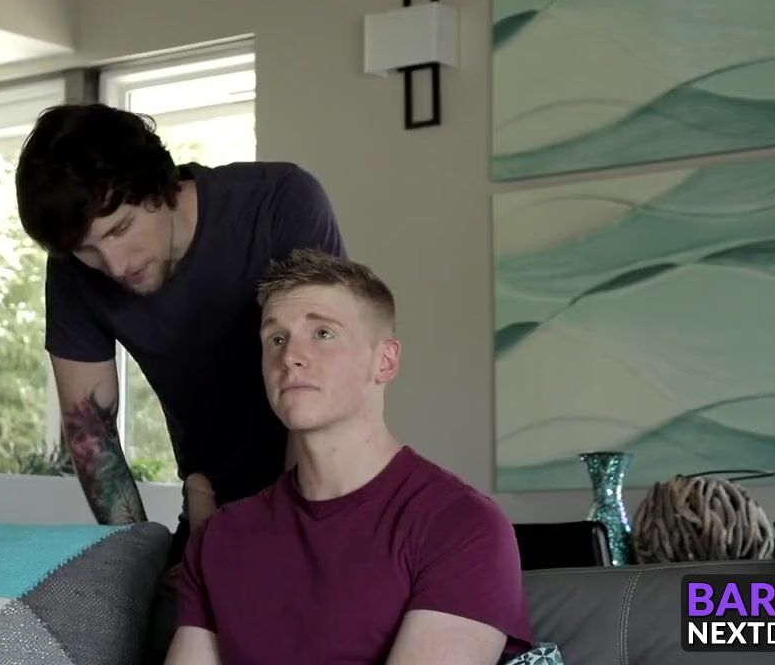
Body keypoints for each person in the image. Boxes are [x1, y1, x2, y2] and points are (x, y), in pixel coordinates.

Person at [165, 250, 534, 665]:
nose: (290, 356)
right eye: (276, 339)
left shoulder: (461, 525)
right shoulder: (219, 538)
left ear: (385, 361)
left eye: (322, 333)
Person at [14, 103, 346, 564]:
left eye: (121, 228)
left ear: (160, 186)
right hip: (210, 509)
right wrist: (136, 566)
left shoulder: (278, 202)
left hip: (327, 504)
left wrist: (281, 545)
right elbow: (91, 432)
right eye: (88, 250)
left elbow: (322, 386)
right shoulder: (75, 269)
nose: (114, 265)